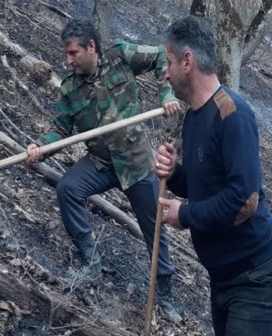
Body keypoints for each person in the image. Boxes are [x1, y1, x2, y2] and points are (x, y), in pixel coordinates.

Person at [25, 18, 182, 321]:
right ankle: (90, 261)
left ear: (92, 47)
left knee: (155, 229)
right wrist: (40, 147)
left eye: (73, 53)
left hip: (136, 163)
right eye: (66, 54)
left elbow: (163, 56)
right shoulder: (70, 88)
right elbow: (60, 130)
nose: (67, 60)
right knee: (68, 188)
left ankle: (165, 294)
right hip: (100, 162)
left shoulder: (121, 56)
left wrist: (167, 93)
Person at [152, 15, 272, 335]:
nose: (165, 72)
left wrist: (185, 215)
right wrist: (174, 174)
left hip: (257, 278)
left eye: (169, 62)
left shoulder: (233, 114)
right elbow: (206, 187)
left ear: (188, 61)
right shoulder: (193, 118)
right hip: (223, 276)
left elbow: (244, 199)